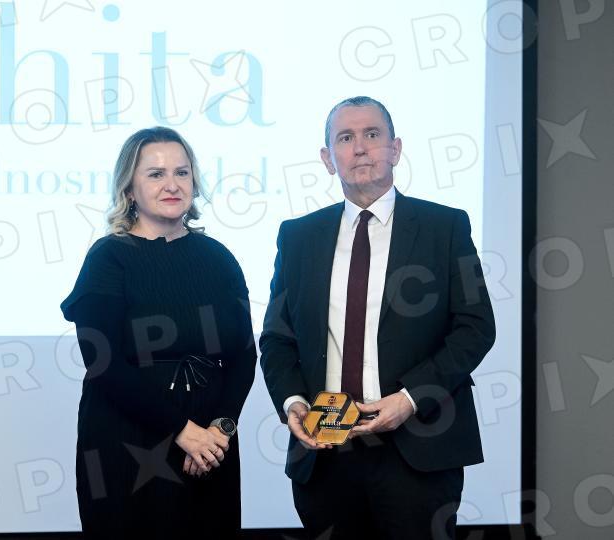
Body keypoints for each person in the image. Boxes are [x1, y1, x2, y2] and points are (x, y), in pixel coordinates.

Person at [259, 96, 496, 540]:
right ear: (328, 159)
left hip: (418, 450)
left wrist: (409, 398)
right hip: (326, 451)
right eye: (345, 138)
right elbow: (277, 338)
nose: (360, 147)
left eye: (372, 134)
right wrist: (292, 402)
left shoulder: (445, 227)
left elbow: (475, 327)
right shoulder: (298, 237)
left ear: (396, 149)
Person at [60, 127, 256, 539]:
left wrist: (219, 431)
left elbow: (243, 356)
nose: (172, 184)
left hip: (210, 449)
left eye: (182, 173)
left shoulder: (219, 258)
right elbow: (103, 364)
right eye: (155, 174)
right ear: (129, 189)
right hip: (126, 445)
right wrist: (184, 432)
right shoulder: (108, 258)